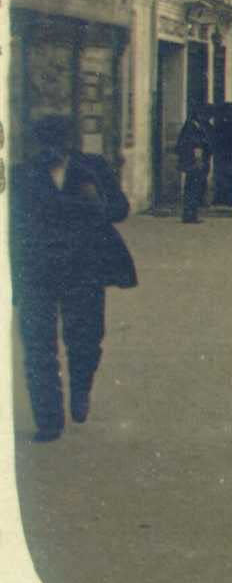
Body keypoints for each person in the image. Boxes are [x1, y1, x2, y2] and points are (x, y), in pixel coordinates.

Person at [10, 117, 138, 442]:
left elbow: (120, 209)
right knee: (39, 349)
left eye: (59, 143)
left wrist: (94, 200)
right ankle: (49, 421)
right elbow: (12, 229)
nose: (52, 151)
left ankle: (81, 388)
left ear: (70, 144)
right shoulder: (22, 176)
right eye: (46, 144)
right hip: (38, 271)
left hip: (84, 270)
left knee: (85, 341)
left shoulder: (92, 168)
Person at [175, 110, 212, 224]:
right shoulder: (193, 128)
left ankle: (190, 214)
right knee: (193, 189)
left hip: (193, 162)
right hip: (194, 162)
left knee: (192, 188)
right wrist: (199, 160)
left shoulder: (193, 127)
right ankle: (190, 215)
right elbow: (196, 146)